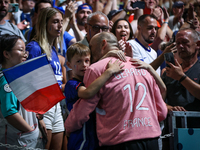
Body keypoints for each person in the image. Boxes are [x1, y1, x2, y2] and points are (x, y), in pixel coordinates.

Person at [65, 32, 167, 149]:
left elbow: (83, 110)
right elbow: (162, 112)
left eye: (91, 47)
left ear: (103, 44)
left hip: (119, 141)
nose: (91, 52)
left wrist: (69, 126)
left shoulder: (96, 69)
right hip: (151, 138)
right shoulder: (142, 67)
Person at [65, 42, 124, 149]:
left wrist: (108, 55)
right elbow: (88, 92)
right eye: (78, 61)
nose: (84, 65)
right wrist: (109, 71)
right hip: (80, 137)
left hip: (94, 136)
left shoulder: (90, 80)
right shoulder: (71, 84)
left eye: (87, 61)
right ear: (69, 65)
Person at [26, 7, 65, 150]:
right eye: (55, 22)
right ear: (44, 24)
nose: (60, 25)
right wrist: (38, 113)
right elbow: (28, 82)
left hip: (56, 106)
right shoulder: (34, 48)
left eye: (61, 21)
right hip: (42, 106)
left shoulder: (53, 50)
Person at [0, 34, 44, 149]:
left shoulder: (16, 76)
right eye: (21, 50)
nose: (26, 54)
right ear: (6, 54)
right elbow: (10, 112)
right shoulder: (5, 79)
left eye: (25, 50)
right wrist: (29, 131)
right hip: (17, 140)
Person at [162, 27, 200, 150]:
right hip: (172, 134)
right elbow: (159, 101)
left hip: (196, 133)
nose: (180, 46)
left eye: (185, 42)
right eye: (178, 43)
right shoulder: (169, 72)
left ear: (197, 44)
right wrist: (169, 108)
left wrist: (181, 77)